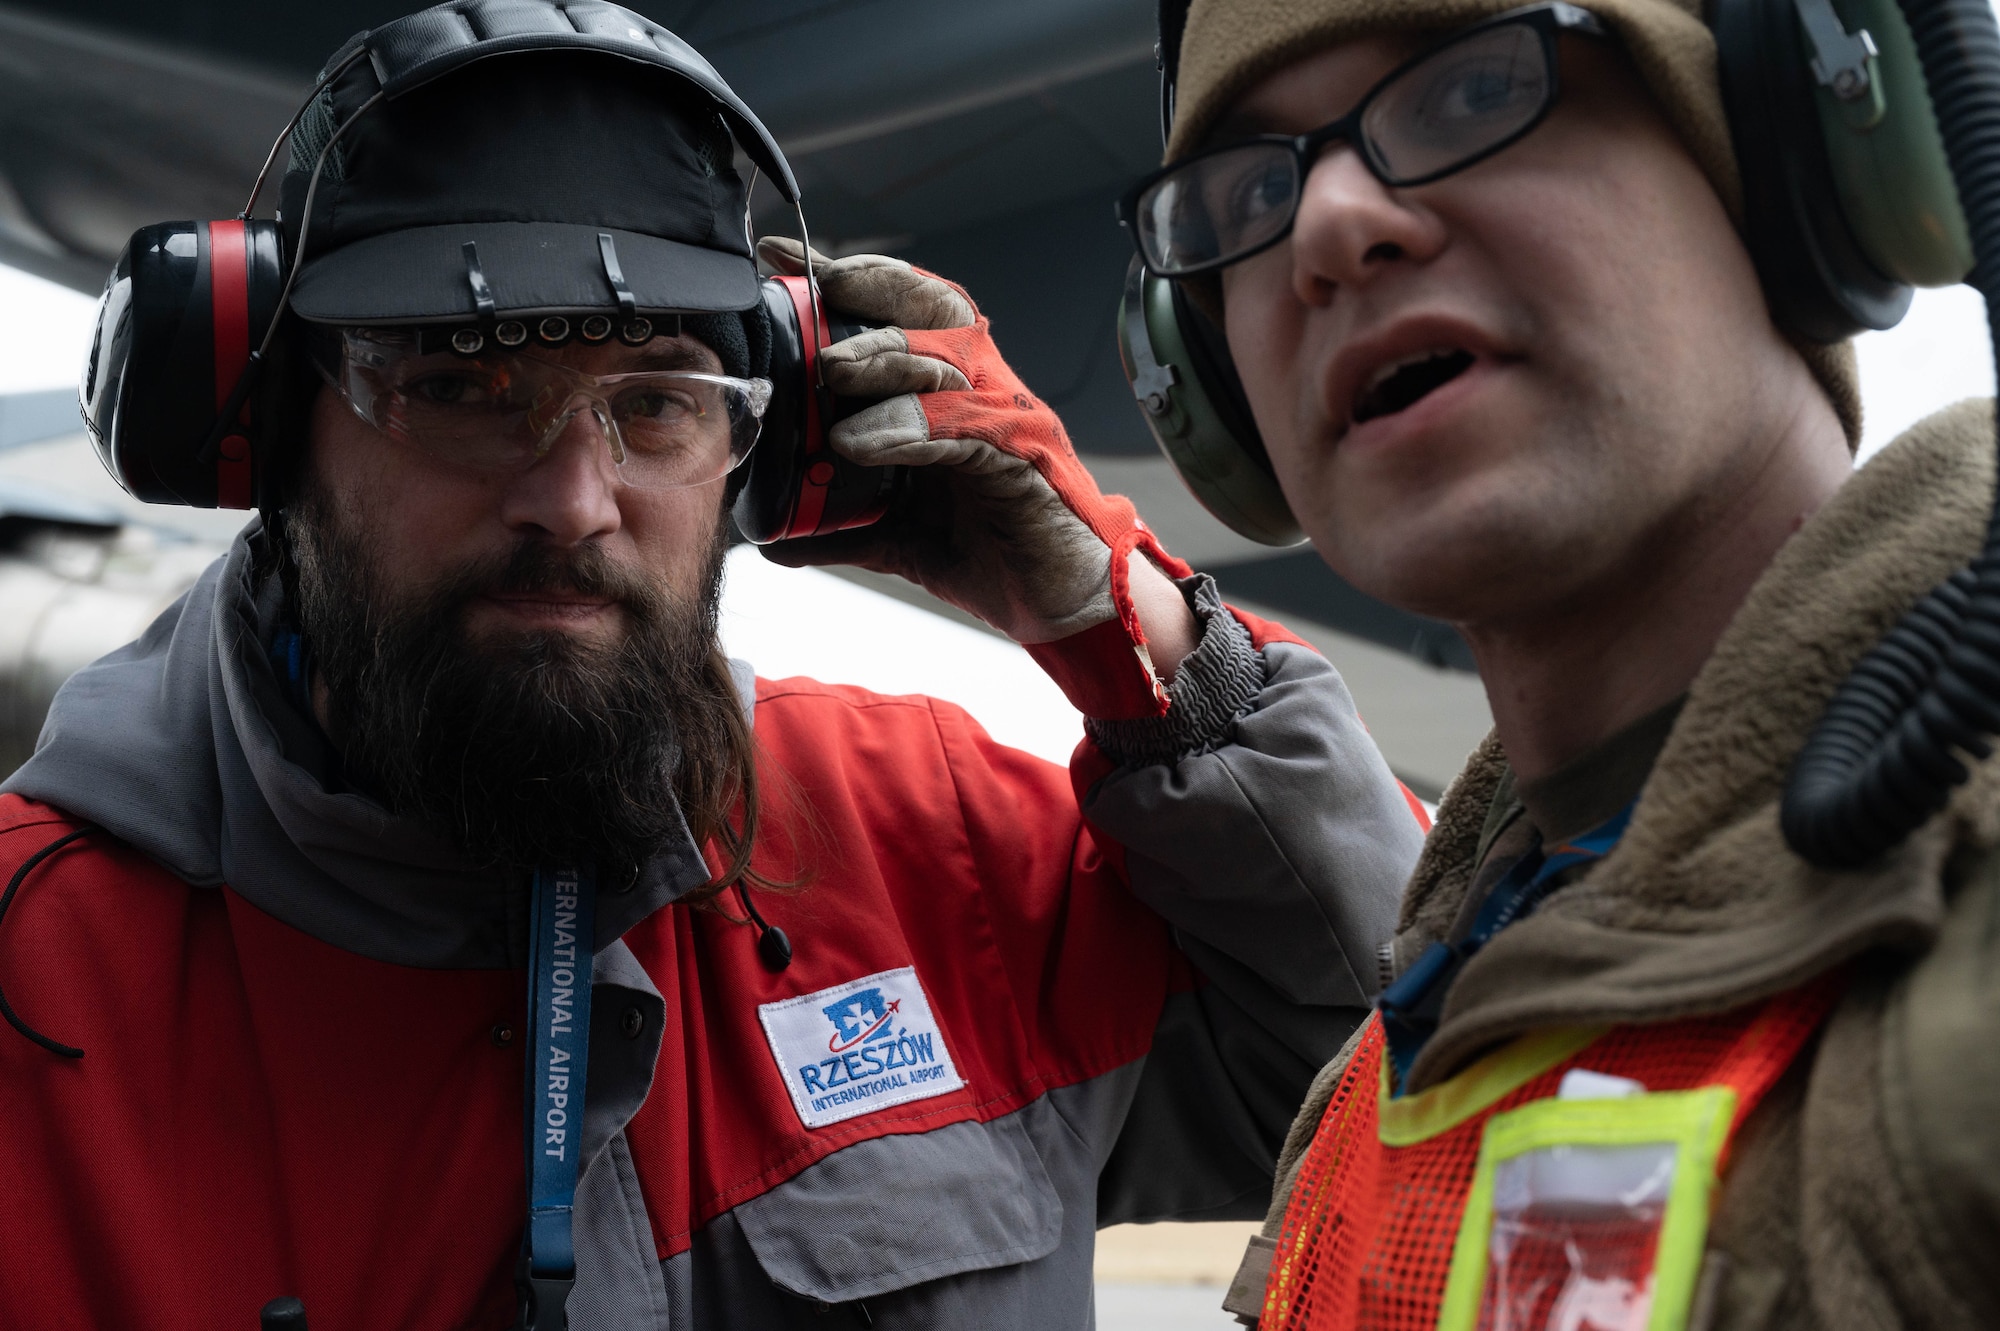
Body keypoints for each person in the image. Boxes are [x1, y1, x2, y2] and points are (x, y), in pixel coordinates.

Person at [0, 3, 1427, 1329]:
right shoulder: (35, 969)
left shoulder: (934, 847)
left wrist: (1129, 634)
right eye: (455, 389)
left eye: (658, 405)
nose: (573, 498)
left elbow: (1416, 1061)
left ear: (777, 443)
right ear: (268, 432)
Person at [1133, 0, 2000, 1326]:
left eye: (1472, 93)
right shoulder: (1394, 1065)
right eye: (1250, 188)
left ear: (1787, 160)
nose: (1327, 227)